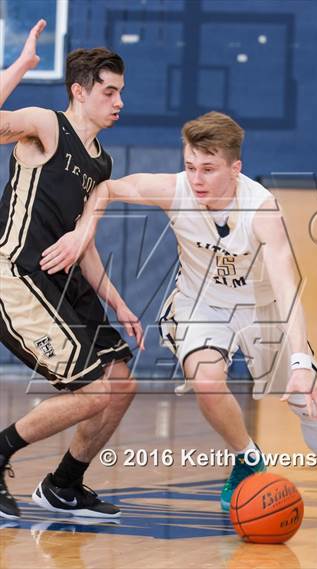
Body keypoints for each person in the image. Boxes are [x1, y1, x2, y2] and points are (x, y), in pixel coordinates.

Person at [41, 111, 317, 522]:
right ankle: (248, 458)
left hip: (262, 306)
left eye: (209, 169)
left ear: (236, 168)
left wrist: (302, 363)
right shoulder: (174, 189)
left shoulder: (261, 210)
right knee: (206, 379)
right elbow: (108, 189)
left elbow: (289, 289)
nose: (197, 178)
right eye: (190, 166)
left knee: (308, 401)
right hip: (201, 303)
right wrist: (83, 231)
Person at [0, 20, 142, 520]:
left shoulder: (101, 163)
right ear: (79, 92)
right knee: (93, 390)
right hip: (15, 276)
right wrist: (21, 65)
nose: (118, 101)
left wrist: (119, 304)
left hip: (64, 285)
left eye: (121, 92)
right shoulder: (44, 125)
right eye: (109, 91)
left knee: (121, 381)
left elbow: (85, 246)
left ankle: (63, 484)